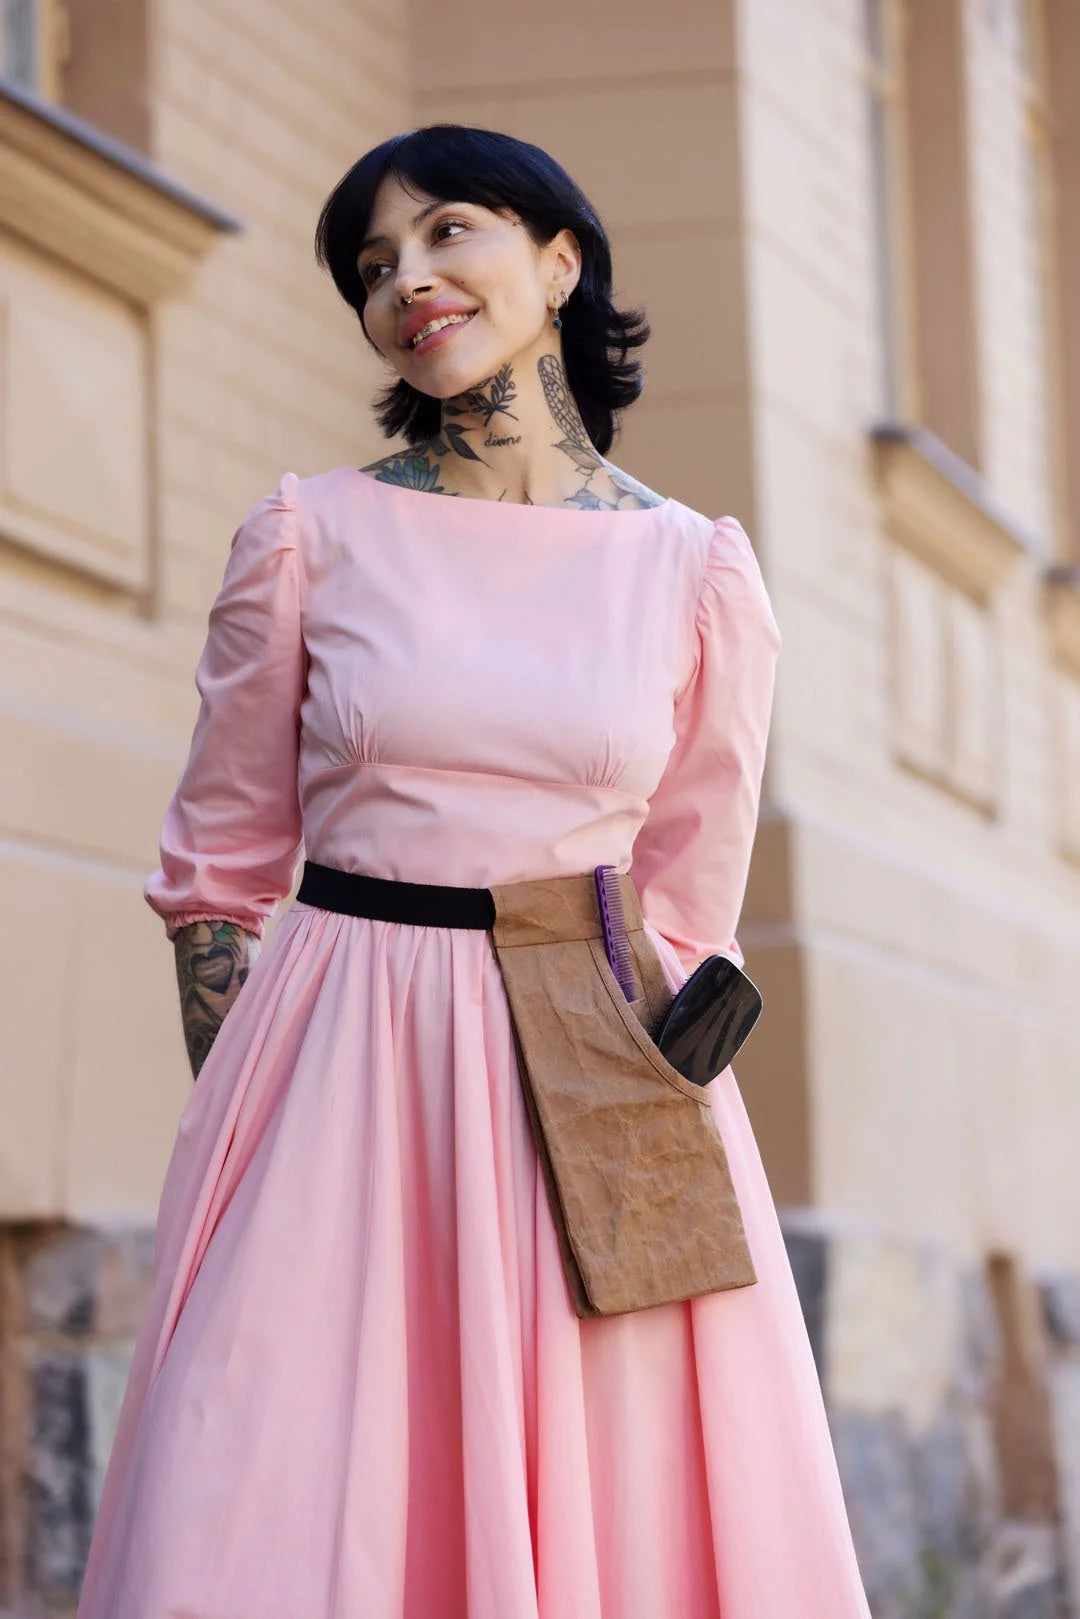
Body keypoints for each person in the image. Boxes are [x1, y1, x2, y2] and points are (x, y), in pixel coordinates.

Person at [76, 124, 869, 1619]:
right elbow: (219, 867)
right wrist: (253, 1112)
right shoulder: (310, 534)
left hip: (601, 1067)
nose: (408, 279)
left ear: (561, 260)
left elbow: (694, 901)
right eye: (373, 266)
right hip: (337, 1063)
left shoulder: (698, 571)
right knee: (263, 1483)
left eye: (449, 231)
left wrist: (647, 1106)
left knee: (615, 1500)